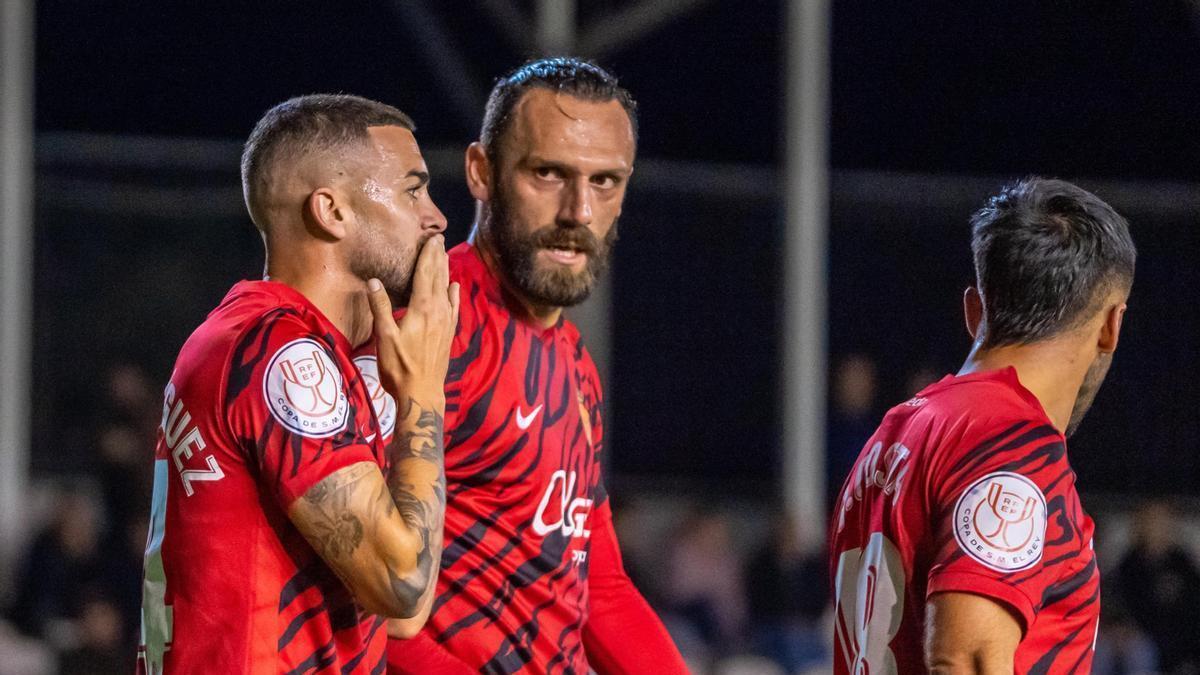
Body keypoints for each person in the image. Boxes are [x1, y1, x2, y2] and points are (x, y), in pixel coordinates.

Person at [377, 57, 687, 673]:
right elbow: (357, 587)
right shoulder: (436, 325)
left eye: (606, 182)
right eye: (548, 173)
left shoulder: (573, 364)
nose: (579, 211)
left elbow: (600, 589)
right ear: (481, 172)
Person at [136, 94, 459, 673]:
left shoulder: (311, 351)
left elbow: (406, 607)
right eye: (413, 190)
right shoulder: (279, 352)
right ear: (331, 212)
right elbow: (402, 582)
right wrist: (423, 396)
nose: (436, 217)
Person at [829, 177, 1136, 673]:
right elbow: (963, 660)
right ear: (1111, 326)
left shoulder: (894, 433)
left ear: (975, 311)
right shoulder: (1011, 446)